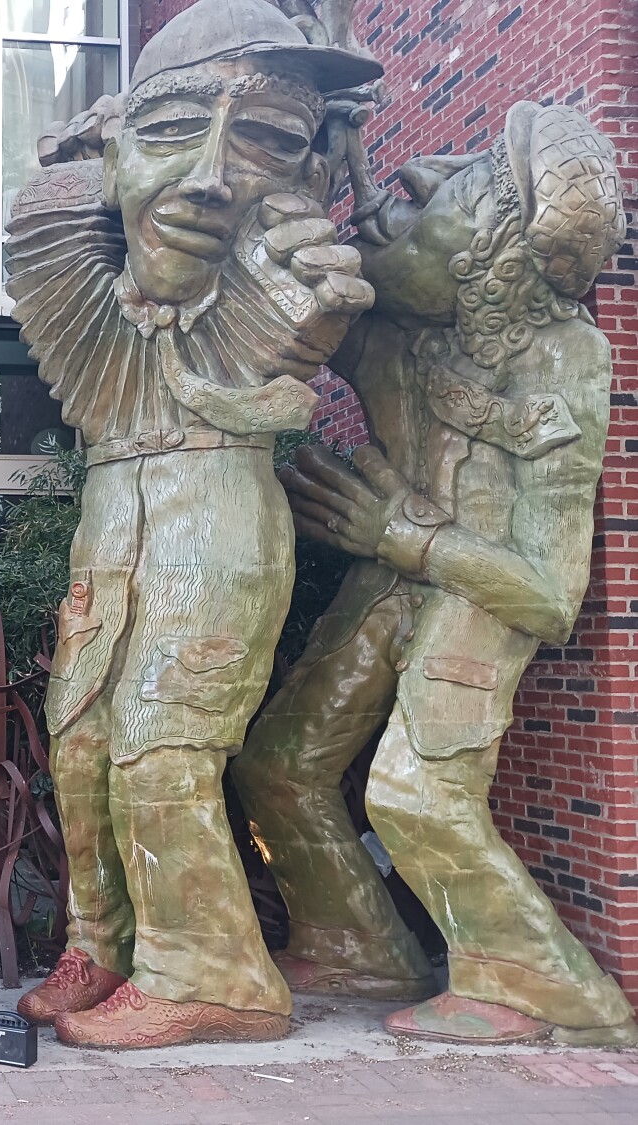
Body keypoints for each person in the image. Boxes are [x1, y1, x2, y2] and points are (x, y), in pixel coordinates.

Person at [3, 0, 380, 1049]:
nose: (213, 175)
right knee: (80, 744)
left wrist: (292, 344)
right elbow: (74, 269)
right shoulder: (87, 276)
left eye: (264, 141)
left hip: (216, 507)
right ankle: (103, 939)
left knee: (160, 742)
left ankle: (211, 970)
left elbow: (301, 330)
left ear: (305, 171)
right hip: (113, 507)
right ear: (110, 149)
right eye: (174, 133)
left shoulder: (288, 282)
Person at [233, 101, 636, 1046]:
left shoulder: (566, 358)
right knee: (280, 764)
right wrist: (318, 175)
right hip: (394, 570)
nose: (408, 190)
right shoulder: (409, 332)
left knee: (415, 794)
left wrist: (408, 537)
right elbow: (314, 307)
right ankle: (359, 942)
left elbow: (551, 595)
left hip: (469, 587)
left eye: (447, 188)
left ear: (490, 258)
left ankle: (552, 988)